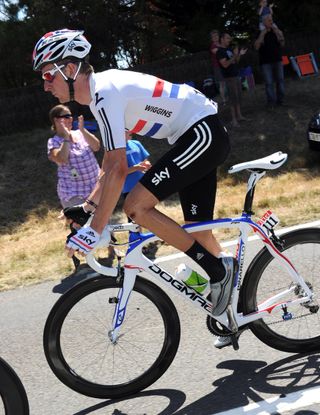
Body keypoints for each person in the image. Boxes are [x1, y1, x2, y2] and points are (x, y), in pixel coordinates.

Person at [33, 29, 238, 318]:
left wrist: (94, 230)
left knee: (136, 206)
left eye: (47, 76)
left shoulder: (104, 93)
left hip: (202, 133)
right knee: (200, 235)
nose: (45, 86)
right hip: (195, 135)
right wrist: (88, 207)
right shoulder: (99, 97)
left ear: (69, 69)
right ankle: (238, 309)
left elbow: (117, 169)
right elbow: (110, 163)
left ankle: (218, 271)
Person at [47, 104, 101, 209]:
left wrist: (82, 129)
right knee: (82, 225)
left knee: (101, 224)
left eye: (71, 116)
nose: (70, 118)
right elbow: (61, 158)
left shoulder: (80, 133)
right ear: (56, 120)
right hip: (74, 194)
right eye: (66, 116)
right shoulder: (53, 141)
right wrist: (66, 137)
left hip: (96, 190)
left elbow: (96, 146)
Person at [216, 33, 248, 128]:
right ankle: (233, 120)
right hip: (229, 78)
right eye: (227, 38)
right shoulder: (220, 51)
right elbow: (225, 65)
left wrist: (239, 54)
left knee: (238, 96)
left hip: (236, 75)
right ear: (222, 39)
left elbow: (236, 61)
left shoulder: (229, 49)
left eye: (229, 38)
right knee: (232, 98)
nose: (229, 40)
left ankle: (239, 116)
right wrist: (234, 55)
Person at [254, 14, 285, 108]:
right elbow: (256, 47)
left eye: (271, 20)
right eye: (268, 20)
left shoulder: (276, 31)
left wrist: (278, 33)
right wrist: (263, 33)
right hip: (265, 62)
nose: (271, 22)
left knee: (280, 81)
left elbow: (282, 43)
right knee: (269, 83)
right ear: (263, 22)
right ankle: (271, 102)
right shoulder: (259, 32)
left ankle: (280, 100)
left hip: (277, 60)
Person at [209, 30, 227, 105]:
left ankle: (227, 97)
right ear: (211, 38)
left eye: (216, 36)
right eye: (213, 36)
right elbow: (218, 52)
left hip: (224, 65)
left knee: (226, 82)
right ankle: (224, 100)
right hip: (217, 67)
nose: (215, 37)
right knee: (221, 83)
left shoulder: (221, 44)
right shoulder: (213, 46)